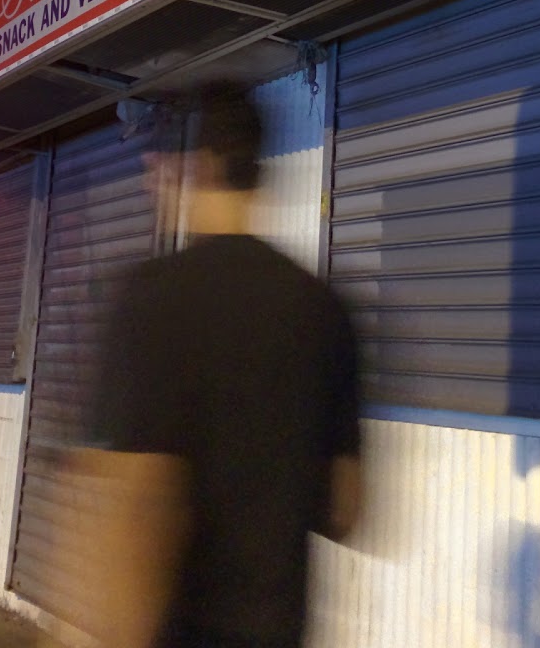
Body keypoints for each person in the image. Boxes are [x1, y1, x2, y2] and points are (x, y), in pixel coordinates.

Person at [75, 81, 362, 648]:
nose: (148, 177)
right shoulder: (324, 309)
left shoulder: (151, 297)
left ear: (198, 165)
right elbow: (345, 508)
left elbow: (135, 501)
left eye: (156, 164)